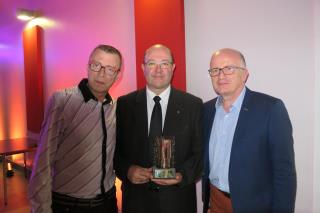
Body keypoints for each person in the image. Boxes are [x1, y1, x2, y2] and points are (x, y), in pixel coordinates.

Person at [28, 44, 122, 213]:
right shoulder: (62, 100)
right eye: (96, 65)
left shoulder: (114, 108)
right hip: (69, 206)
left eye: (110, 69)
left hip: (108, 203)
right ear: (88, 66)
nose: (101, 73)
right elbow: (43, 162)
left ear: (117, 75)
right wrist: (41, 208)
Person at [202, 48, 297, 213]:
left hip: (253, 206)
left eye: (229, 68)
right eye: (215, 70)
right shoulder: (206, 110)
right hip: (214, 201)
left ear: (245, 74)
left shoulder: (271, 109)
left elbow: (284, 172)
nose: (221, 75)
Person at [114, 44, 203, 213]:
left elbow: (199, 154)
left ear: (173, 67)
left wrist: (181, 175)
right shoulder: (125, 104)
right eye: (151, 63)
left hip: (178, 201)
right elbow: (115, 151)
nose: (158, 70)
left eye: (164, 63)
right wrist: (127, 170)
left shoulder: (193, 105)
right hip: (136, 202)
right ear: (143, 68)